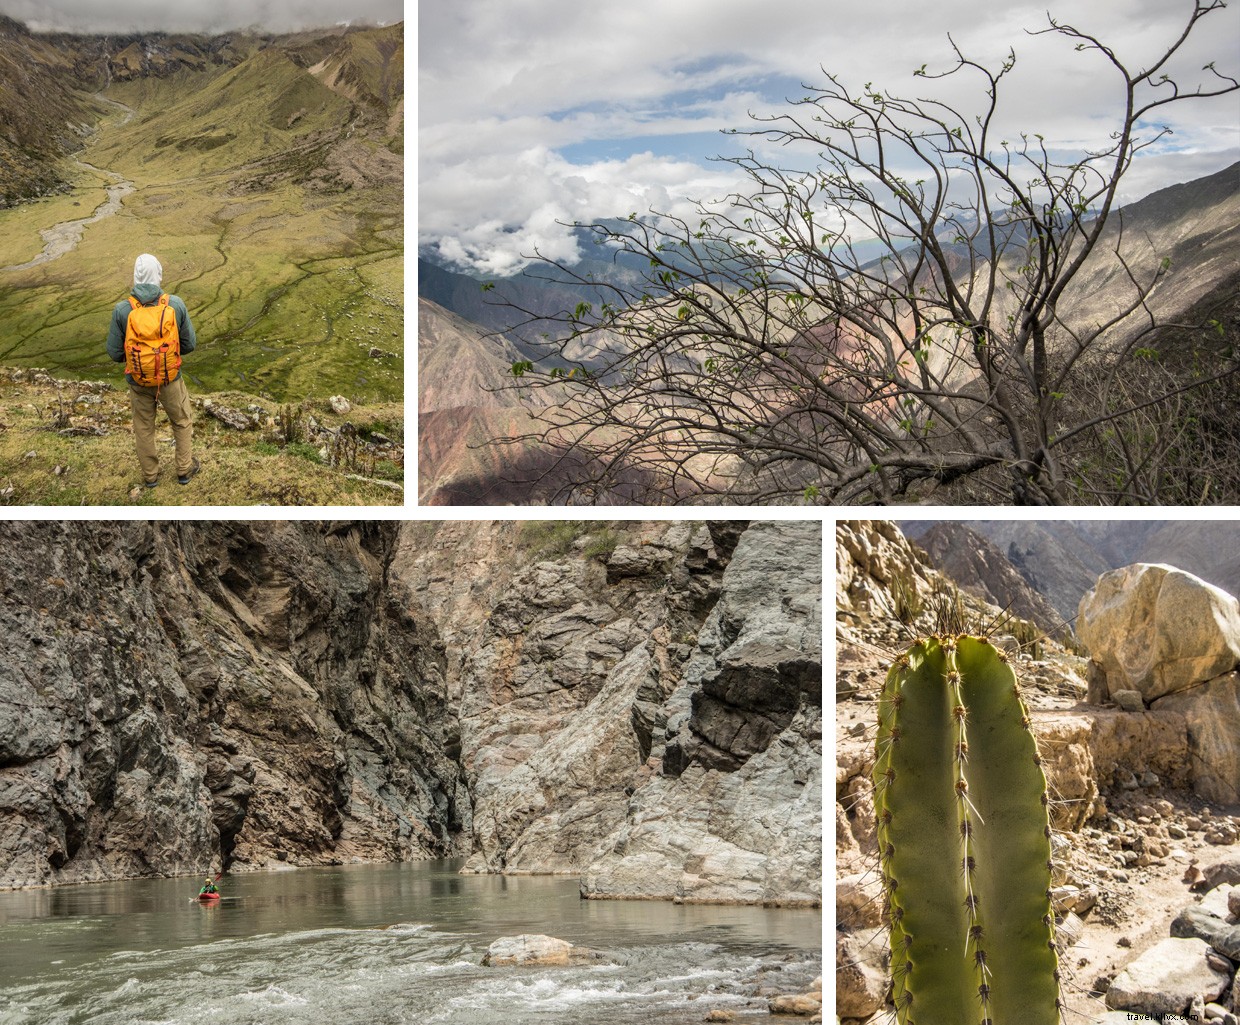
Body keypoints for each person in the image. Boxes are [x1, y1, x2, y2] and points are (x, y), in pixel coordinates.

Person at [106, 253, 200, 487]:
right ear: (158, 274)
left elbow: (116, 353)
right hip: (170, 380)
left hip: (138, 381)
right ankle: (184, 470)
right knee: (181, 421)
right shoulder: (175, 304)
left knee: (144, 428)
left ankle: (150, 476)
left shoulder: (122, 310)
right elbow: (189, 345)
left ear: (136, 277)